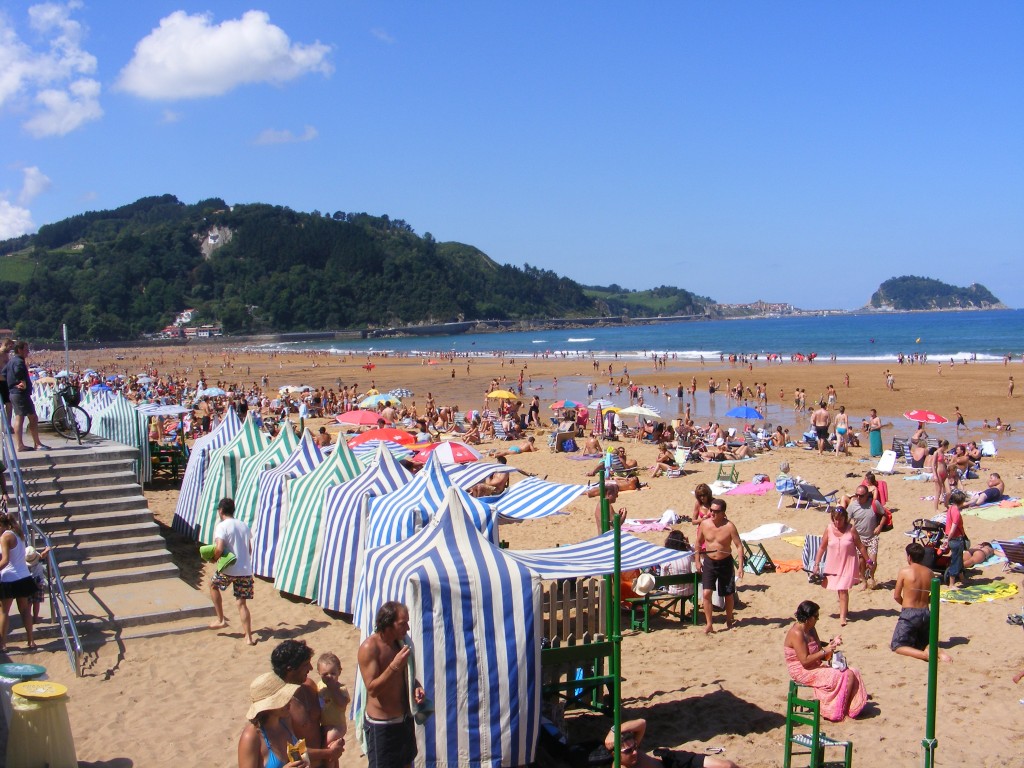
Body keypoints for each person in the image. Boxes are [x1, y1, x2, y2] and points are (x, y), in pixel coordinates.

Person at [357, 601, 426, 768]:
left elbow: (406, 675)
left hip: (403, 721)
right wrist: (394, 666)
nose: (407, 628)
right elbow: (372, 689)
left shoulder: (401, 643)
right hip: (382, 726)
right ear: (388, 623)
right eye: (403, 624)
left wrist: (416, 686)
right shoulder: (370, 648)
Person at [783, 600, 867, 722]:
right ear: (808, 618)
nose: (817, 619)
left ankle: (849, 708)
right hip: (802, 670)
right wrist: (825, 651)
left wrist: (831, 645)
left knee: (853, 672)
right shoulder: (797, 633)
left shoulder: (811, 629)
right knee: (845, 676)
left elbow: (819, 649)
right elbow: (805, 661)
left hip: (815, 665)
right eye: (816, 617)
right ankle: (837, 711)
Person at [272, 640, 344, 768]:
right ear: (290, 669)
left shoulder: (310, 686)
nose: (311, 668)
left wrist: (333, 749)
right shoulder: (281, 704)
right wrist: (328, 753)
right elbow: (289, 749)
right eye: (306, 664)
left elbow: (326, 721)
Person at [892, 542, 952, 662]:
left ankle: (926, 656)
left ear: (909, 557)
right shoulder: (930, 573)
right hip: (925, 612)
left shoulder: (905, 571)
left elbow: (897, 596)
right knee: (924, 643)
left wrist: (906, 605)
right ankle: (939, 653)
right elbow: (933, 597)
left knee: (897, 645)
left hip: (910, 612)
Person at [208, 497, 256, 645]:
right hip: (245, 570)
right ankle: (248, 637)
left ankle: (221, 619)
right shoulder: (243, 525)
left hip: (229, 569)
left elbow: (219, 548)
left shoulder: (222, 526)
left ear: (221, 511)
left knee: (213, 585)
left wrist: (214, 558)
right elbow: (249, 549)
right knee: (242, 604)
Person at [604, 718, 745, 768]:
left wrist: (616, 730)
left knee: (727, 766)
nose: (635, 752)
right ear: (615, 754)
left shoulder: (632, 754)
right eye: (628, 751)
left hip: (672, 761)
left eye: (634, 746)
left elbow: (642, 723)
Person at [812, 507, 869, 626]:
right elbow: (822, 547)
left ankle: (842, 616)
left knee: (843, 589)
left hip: (848, 563)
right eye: (835, 520)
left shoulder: (851, 529)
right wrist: (816, 564)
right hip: (834, 563)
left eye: (840, 520)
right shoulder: (829, 529)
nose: (837, 522)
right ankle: (845, 610)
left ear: (845, 518)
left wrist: (868, 560)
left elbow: (861, 546)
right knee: (839, 588)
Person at [694, 498, 743, 633]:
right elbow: (698, 543)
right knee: (706, 593)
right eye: (711, 510)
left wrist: (740, 566)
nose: (712, 513)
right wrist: (697, 560)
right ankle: (709, 623)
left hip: (725, 562)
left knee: (728, 594)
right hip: (709, 561)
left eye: (716, 511)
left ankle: (728, 619)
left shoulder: (729, 526)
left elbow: (739, 546)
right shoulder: (704, 524)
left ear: (723, 513)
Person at [237, 672, 305, 768]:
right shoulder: (251, 737)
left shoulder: (285, 720)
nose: (289, 702)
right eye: (282, 699)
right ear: (267, 707)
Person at [0, 509, 37, 651]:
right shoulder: (19, 533)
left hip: (10, 577)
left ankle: (3, 644)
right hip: (23, 576)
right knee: (25, 610)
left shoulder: (5, 537)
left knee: (4, 612)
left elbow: (5, 560)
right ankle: (31, 641)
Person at [6, 341, 48, 452]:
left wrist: (11, 384)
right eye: (26, 349)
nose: (28, 351)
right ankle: (22, 445)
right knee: (21, 417)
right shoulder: (19, 361)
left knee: (32, 417)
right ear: (19, 350)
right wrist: (22, 382)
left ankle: (36, 443)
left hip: (16, 393)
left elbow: (4, 374)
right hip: (20, 394)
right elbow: (19, 372)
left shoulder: (11, 361)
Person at [316, 652, 350, 768]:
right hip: (325, 724)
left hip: (337, 725)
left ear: (339, 672)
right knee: (332, 747)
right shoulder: (319, 686)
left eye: (333, 673)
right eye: (325, 674)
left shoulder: (341, 688)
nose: (329, 677)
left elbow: (342, 704)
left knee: (327, 747)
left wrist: (334, 689)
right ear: (319, 674)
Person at [845, 486, 883, 590]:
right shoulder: (853, 506)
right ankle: (864, 581)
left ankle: (871, 576)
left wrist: (880, 526)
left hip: (872, 537)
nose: (858, 497)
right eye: (856, 495)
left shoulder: (874, 503)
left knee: (872, 561)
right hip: (859, 538)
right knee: (861, 562)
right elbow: (846, 521)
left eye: (861, 496)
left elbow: (884, 515)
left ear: (866, 495)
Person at [938, 489, 968, 587]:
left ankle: (963, 578)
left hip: (952, 538)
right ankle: (951, 584)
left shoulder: (951, 508)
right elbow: (953, 529)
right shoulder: (957, 513)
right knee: (956, 560)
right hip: (956, 539)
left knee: (959, 559)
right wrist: (947, 539)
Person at [660, 530, 696, 600]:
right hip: (689, 590)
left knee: (671, 582)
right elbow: (696, 555)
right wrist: (688, 545)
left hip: (674, 592)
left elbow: (663, 578)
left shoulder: (668, 557)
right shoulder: (688, 554)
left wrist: (665, 587)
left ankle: (672, 610)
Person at [24, 544, 51, 625]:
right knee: (36, 602)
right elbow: (43, 555)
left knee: (28, 602)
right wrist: (47, 549)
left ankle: (28, 618)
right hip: (38, 582)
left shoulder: (23, 563)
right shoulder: (38, 559)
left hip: (27, 581)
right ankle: (35, 618)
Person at [932, 439, 949, 512]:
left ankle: (946, 504)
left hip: (944, 473)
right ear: (944, 446)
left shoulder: (943, 453)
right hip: (938, 473)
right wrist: (935, 475)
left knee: (948, 491)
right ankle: (936, 508)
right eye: (947, 447)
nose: (947, 448)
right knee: (938, 491)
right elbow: (933, 465)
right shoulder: (936, 453)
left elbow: (943, 463)